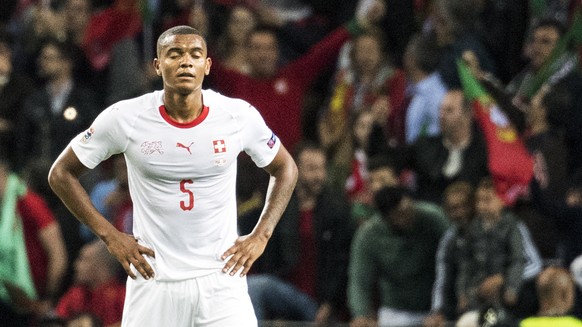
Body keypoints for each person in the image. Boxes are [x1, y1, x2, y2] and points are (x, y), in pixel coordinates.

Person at [48, 25, 298, 326]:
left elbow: (285, 168)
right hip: (154, 283)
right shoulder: (126, 117)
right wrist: (110, 236)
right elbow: (61, 173)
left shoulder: (237, 115)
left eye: (195, 54)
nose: (185, 62)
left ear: (207, 66)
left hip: (220, 282)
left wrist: (262, 234)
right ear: (157, 64)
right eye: (174, 54)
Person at [244, 142, 355, 324]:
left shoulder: (337, 211)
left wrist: (330, 304)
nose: (319, 176)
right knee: (254, 286)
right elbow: (268, 259)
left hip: (319, 304)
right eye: (311, 169)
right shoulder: (281, 207)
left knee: (256, 286)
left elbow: (342, 263)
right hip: (285, 294)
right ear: (295, 169)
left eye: (321, 169)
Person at [424, 181, 542, 327]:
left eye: (465, 206)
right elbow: (445, 278)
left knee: (493, 321)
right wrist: (438, 310)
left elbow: (534, 264)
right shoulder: (452, 238)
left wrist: (503, 279)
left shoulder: (512, 226)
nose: (460, 213)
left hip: (511, 301)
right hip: (476, 303)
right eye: (453, 208)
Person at [348, 186, 449, 327]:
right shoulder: (368, 235)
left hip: (435, 308)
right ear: (386, 218)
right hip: (395, 311)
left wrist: (443, 309)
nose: (409, 216)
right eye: (401, 214)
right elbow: (359, 280)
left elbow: (453, 261)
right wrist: (360, 315)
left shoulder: (433, 218)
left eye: (410, 209)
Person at [55, 240, 125, 327]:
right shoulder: (75, 294)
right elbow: (58, 319)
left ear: (101, 266)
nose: (76, 265)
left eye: (84, 260)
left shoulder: (121, 297)